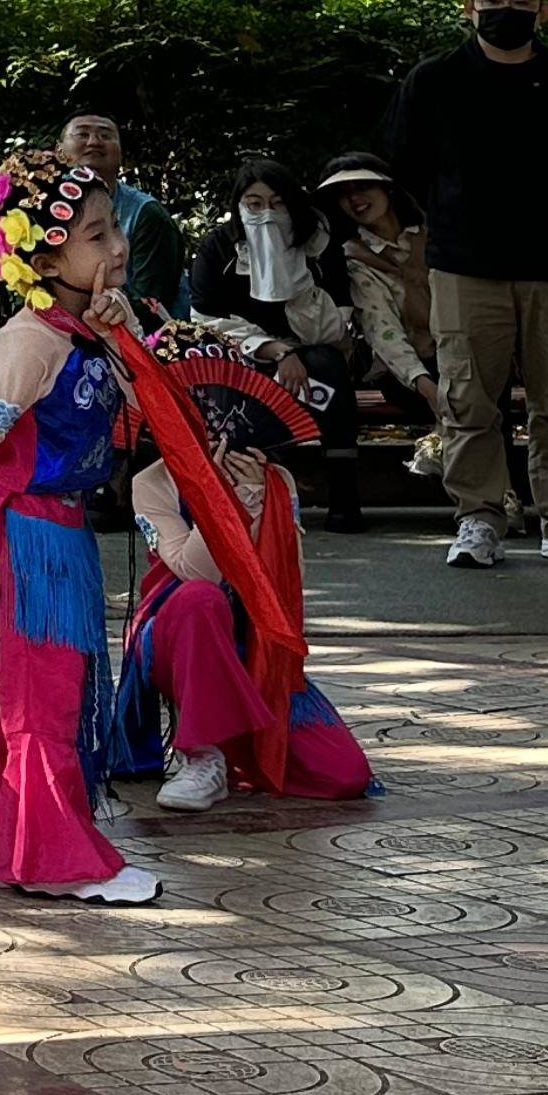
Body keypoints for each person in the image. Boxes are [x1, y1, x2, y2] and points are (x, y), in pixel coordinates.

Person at [0, 145, 160, 905]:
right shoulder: (32, 341)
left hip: (63, 525)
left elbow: (144, 406)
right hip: (31, 531)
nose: (119, 246)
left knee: (52, 682)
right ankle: (50, 857)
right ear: (44, 258)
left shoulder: (82, 328)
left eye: (115, 228)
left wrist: (120, 333)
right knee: (47, 692)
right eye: (98, 235)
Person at [384, 0, 548, 569]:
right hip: (464, 265)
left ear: (543, 11)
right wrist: (452, 213)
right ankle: (480, 516)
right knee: (468, 398)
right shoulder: (435, 79)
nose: (504, 11)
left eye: (519, 2)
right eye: (492, 1)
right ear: (470, 8)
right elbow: (405, 160)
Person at [110, 325, 374, 814]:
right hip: (176, 635)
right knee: (200, 600)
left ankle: (237, 738)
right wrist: (223, 500)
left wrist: (255, 497)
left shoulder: (274, 480)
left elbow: (285, 582)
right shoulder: (153, 483)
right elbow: (196, 574)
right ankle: (202, 754)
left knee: (343, 774)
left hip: (250, 639)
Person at [183, 157, 369, 529]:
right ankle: (239, 487)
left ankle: (343, 494)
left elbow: (335, 327)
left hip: (310, 361)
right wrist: (275, 351)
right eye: (254, 204)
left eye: (277, 204)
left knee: (327, 370)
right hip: (244, 354)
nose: (266, 214)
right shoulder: (219, 247)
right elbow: (206, 319)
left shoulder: (319, 247)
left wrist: (292, 282)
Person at [316, 156, 446, 486]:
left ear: (387, 188)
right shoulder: (354, 258)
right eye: (344, 193)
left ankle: (451, 457)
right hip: (404, 373)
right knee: (459, 399)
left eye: (363, 186)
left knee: (481, 388)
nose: (355, 198)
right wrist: (425, 385)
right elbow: (382, 329)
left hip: (461, 355)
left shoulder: (435, 235)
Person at [56, 112, 188, 317]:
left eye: (105, 135)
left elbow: (151, 305)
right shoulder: (42, 208)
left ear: (120, 153)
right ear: (59, 150)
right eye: (82, 134)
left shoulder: (147, 214)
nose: (94, 142)